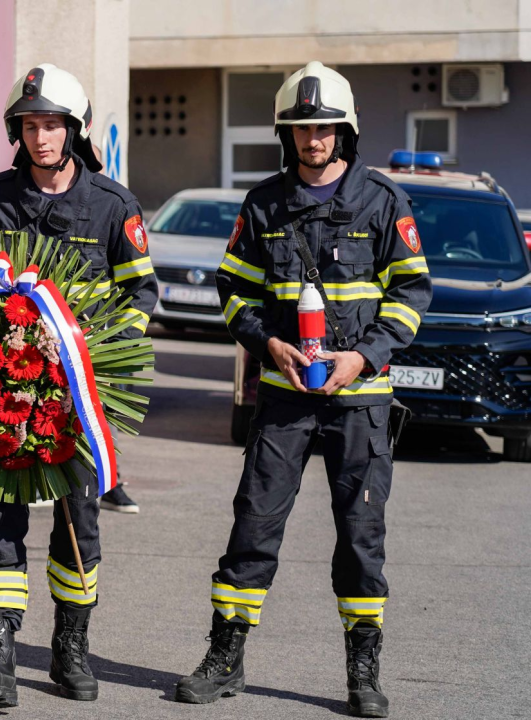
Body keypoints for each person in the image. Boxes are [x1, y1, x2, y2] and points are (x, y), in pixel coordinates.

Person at [173, 62, 432, 718]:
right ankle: (224, 658)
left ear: (342, 132)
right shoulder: (263, 203)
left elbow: (410, 292)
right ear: (283, 135)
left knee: (359, 535)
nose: (311, 139)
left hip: (360, 400)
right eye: (299, 128)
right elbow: (231, 290)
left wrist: (364, 356)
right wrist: (268, 343)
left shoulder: (381, 201)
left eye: (322, 128)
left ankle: (362, 671)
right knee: (252, 527)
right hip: (283, 397)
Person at [0, 64, 158, 708]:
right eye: (31, 125)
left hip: (75, 398)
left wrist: (97, 352)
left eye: (53, 125)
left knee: (78, 526)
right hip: (5, 396)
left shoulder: (113, 204)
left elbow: (142, 293)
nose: (42, 138)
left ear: (76, 129)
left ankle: (70, 648)